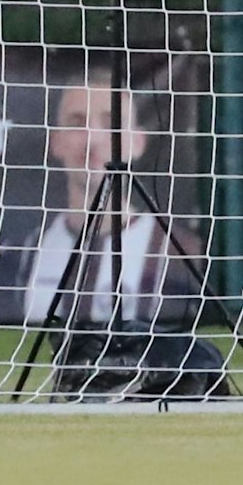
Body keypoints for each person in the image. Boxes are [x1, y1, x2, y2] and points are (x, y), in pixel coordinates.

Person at [21, 65, 192, 326]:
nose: (93, 138)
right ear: (56, 142)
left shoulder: (181, 252)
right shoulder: (26, 252)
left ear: (138, 142)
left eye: (111, 122)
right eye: (77, 123)